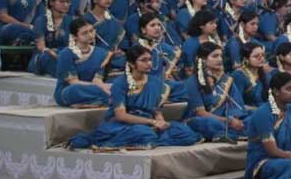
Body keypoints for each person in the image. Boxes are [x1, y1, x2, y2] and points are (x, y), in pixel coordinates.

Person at [68, 45, 202, 149]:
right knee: (143, 133)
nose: (149, 63)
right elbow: (121, 115)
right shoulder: (120, 83)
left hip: (148, 124)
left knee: (185, 133)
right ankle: (121, 140)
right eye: (143, 60)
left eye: (150, 60)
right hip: (122, 124)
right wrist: (152, 123)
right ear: (132, 64)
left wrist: (161, 123)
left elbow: (156, 110)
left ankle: (149, 138)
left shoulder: (155, 82)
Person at [181, 42, 251, 141]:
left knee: (253, 116)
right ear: (202, 60)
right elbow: (200, 113)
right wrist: (228, 121)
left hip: (228, 119)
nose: (220, 59)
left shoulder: (227, 80)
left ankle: (232, 132)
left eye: (221, 56)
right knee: (207, 123)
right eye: (215, 56)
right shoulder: (192, 81)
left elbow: (237, 107)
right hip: (205, 120)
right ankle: (234, 133)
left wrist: (234, 119)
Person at [53, 18, 112, 107]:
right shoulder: (66, 54)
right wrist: (101, 87)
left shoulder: (101, 53)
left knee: (118, 85)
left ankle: (98, 100)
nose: (90, 35)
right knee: (75, 89)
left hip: (93, 88)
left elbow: (97, 79)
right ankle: (108, 99)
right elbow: (73, 82)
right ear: (75, 36)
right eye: (85, 33)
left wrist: (102, 86)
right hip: (71, 91)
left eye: (91, 31)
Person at [29, 0, 73, 76]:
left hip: (64, 55)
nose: (66, 5)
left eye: (68, 2)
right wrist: (54, 54)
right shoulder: (41, 20)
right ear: (51, 2)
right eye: (61, 2)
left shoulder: (71, 21)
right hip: (45, 56)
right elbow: (41, 47)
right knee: (47, 57)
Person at [231, 42, 269, 108]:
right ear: (246, 59)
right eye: (256, 56)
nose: (261, 58)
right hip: (249, 111)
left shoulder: (264, 73)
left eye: (263, 55)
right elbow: (236, 103)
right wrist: (256, 110)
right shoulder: (238, 76)